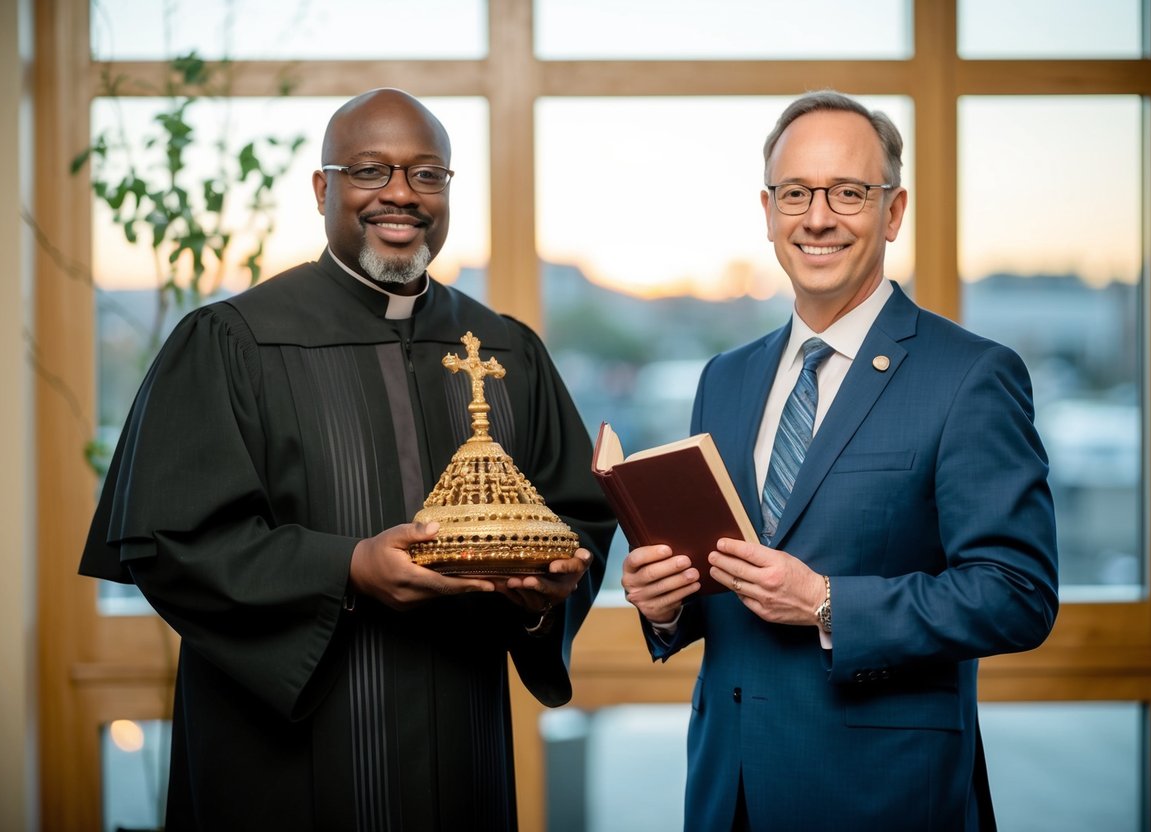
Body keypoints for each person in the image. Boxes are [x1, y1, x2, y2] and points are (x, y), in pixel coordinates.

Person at [80, 88, 615, 831]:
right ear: (323, 188)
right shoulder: (234, 342)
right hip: (285, 759)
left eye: (427, 175)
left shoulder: (502, 350)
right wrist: (348, 567)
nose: (400, 194)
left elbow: (575, 516)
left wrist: (539, 597)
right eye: (371, 171)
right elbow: (174, 541)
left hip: (460, 744)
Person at [621, 90, 1058, 831]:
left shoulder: (970, 375)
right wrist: (664, 606)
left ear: (892, 212)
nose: (816, 217)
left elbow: (1016, 593)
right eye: (795, 193)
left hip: (883, 794)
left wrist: (826, 603)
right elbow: (724, 587)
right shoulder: (722, 378)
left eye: (847, 193)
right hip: (726, 791)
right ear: (767, 212)